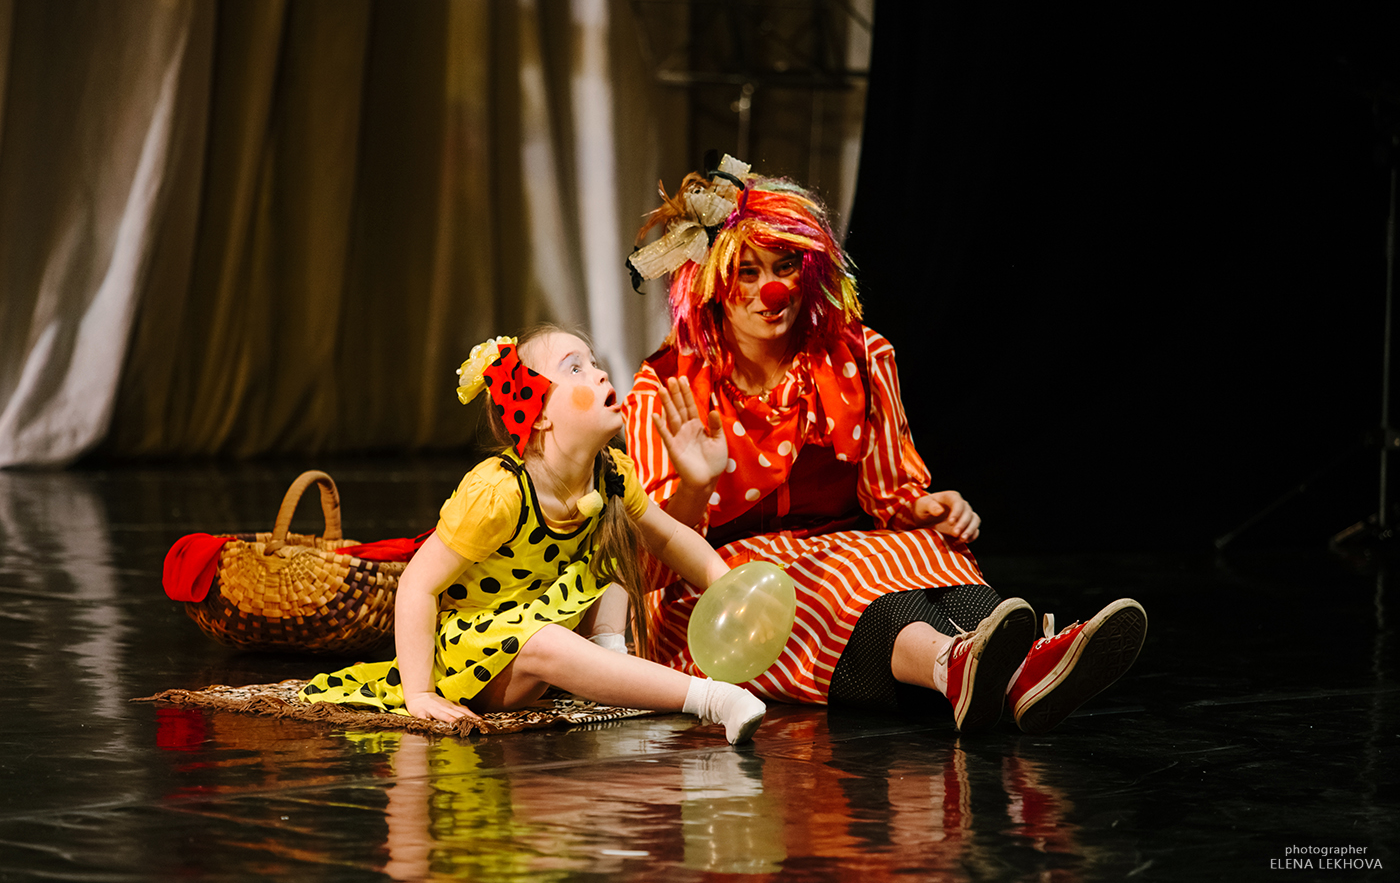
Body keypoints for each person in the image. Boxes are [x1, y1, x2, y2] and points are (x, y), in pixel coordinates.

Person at [623, 154, 1147, 733]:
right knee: (825, 579)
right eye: (747, 272)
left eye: (785, 265)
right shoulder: (667, 387)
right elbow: (648, 566)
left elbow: (890, 496)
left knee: (925, 549)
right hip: (718, 589)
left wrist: (923, 508)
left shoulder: (858, 356)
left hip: (840, 554)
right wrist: (696, 487)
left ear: (809, 268)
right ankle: (964, 666)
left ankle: (1019, 669)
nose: (772, 290)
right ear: (712, 285)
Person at [299, 326, 767, 744]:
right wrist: (419, 693)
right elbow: (417, 584)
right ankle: (712, 699)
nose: (600, 374)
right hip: (478, 652)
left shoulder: (612, 472)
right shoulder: (498, 493)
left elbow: (668, 539)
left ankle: (607, 654)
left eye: (595, 363)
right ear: (538, 413)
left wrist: (727, 584)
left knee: (611, 539)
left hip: (546, 614)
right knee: (545, 639)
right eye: (576, 369)